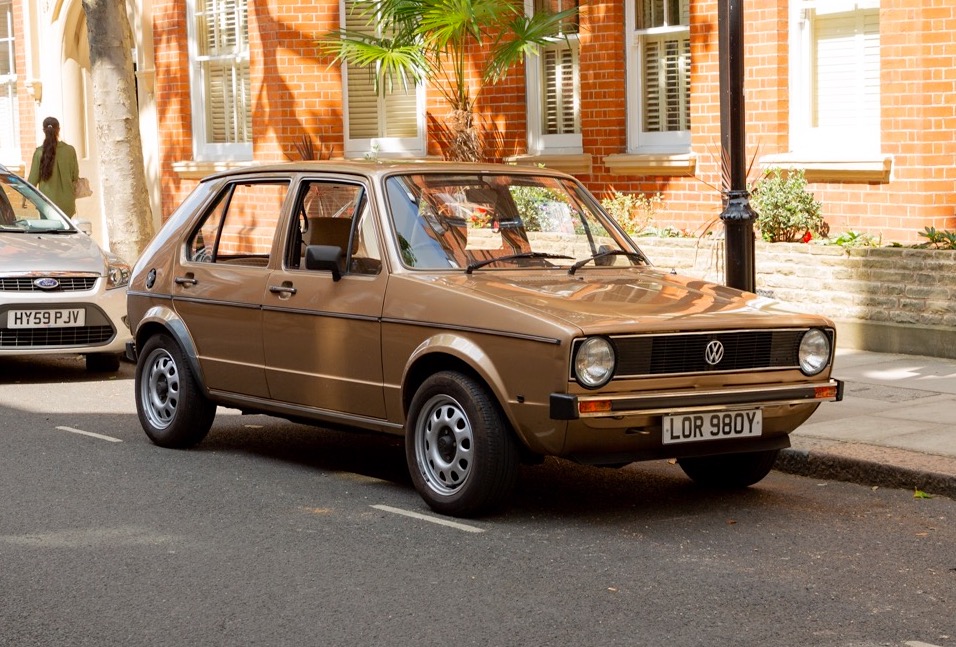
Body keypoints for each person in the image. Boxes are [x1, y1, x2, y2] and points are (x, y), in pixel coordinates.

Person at [28, 117, 79, 216]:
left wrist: (24, 199)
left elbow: (32, 180)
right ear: (58, 129)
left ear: (44, 131)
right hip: (67, 204)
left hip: (47, 205)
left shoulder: (39, 153)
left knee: (48, 230)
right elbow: (75, 176)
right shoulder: (70, 150)